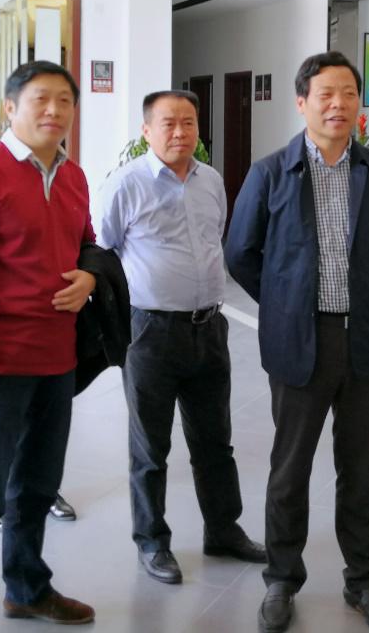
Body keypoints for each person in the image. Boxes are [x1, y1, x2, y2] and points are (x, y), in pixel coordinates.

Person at [226, 51, 369, 633]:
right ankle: (282, 579)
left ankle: (365, 582)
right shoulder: (270, 172)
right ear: (301, 102)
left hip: (365, 341)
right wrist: (286, 303)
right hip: (300, 341)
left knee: (360, 472)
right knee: (290, 468)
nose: (338, 104)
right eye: (326, 94)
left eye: (349, 93)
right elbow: (240, 253)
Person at [0, 61, 101, 632]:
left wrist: (91, 276)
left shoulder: (73, 176)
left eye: (64, 101)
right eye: (40, 99)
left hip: (57, 359)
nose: (54, 110)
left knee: (36, 487)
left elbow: (87, 244)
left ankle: (27, 589)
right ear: (11, 107)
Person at [100, 90, 265, 585]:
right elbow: (103, 250)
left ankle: (223, 530)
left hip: (209, 327)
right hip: (150, 331)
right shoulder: (125, 183)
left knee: (216, 441)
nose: (179, 132)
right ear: (146, 130)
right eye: (168, 123)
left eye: (188, 123)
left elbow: (217, 239)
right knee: (150, 447)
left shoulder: (211, 180)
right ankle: (152, 541)